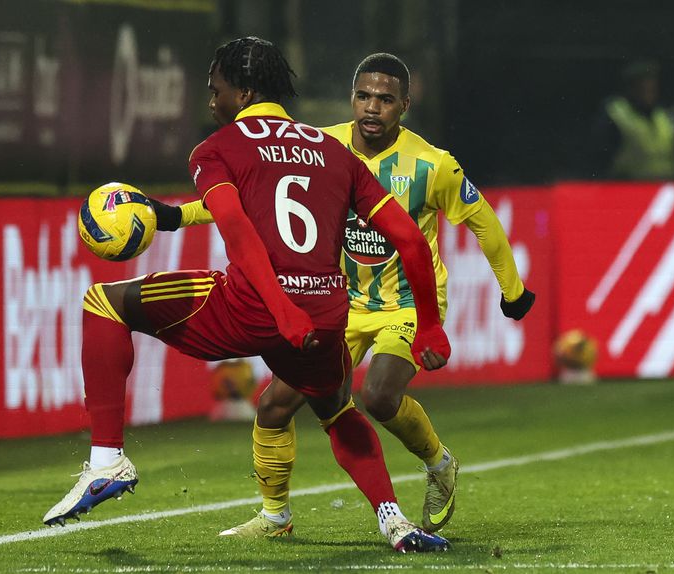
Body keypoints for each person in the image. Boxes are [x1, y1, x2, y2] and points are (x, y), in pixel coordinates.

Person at [43, 37, 452, 553]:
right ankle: (394, 523)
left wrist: (280, 308)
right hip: (325, 314)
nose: (211, 101)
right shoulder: (335, 152)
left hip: (254, 307)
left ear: (243, 93)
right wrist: (430, 325)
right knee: (334, 406)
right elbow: (411, 240)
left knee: (104, 302)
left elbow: (236, 229)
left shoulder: (217, 149)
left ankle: (106, 461)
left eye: (215, 89)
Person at [163, 53, 535, 537]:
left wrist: (513, 291)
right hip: (340, 303)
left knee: (378, 395)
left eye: (385, 99)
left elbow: (483, 223)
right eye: (363, 96)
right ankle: (275, 517)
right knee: (274, 407)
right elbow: (246, 199)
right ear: (351, 98)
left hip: (406, 304)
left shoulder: (433, 165)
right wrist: (178, 216)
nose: (372, 108)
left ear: (405, 105)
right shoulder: (321, 146)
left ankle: (439, 463)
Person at [590, 59, 674, 180]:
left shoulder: (664, 115)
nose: (648, 91)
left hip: (665, 184)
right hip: (630, 186)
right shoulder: (616, 113)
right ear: (631, 88)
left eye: (652, 88)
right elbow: (600, 154)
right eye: (642, 87)